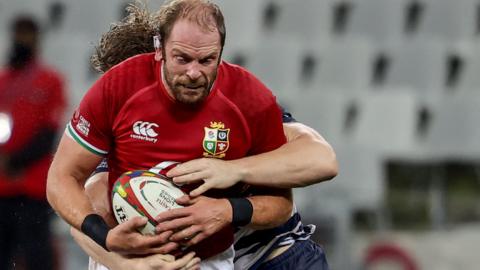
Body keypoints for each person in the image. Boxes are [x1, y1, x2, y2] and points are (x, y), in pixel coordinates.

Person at [69, 2, 337, 270]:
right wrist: (123, 264)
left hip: (269, 251)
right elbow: (85, 214)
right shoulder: (118, 129)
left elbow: (321, 159)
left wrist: (234, 171)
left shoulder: (236, 104)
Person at [0, 16, 66, 270]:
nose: (22, 40)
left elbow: (49, 133)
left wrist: (15, 160)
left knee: (37, 255)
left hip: (34, 186)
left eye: (27, 34)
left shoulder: (50, 81)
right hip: (3, 187)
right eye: (19, 33)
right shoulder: (4, 80)